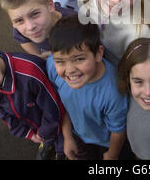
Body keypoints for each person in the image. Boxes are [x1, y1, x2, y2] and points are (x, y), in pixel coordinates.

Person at [46, 15, 128, 160]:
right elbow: (63, 104)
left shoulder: (114, 91)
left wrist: (112, 155)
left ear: (98, 53)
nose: (70, 70)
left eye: (79, 59)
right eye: (61, 61)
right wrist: (68, 137)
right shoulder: (52, 66)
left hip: (107, 144)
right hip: (77, 136)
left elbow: (118, 130)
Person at [0, 0, 75, 59]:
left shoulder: (76, 23)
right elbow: (22, 39)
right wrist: (38, 57)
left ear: (50, 5)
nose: (30, 27)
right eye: (19, 20)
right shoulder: (20, 28)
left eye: (35, 14)